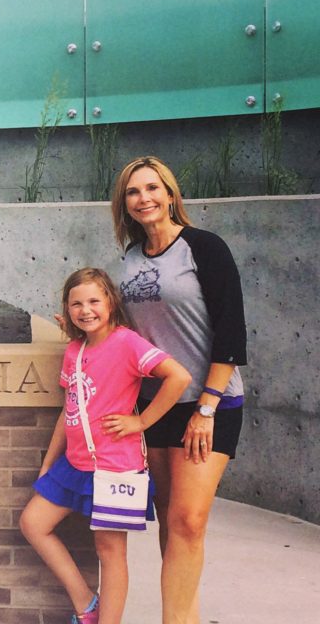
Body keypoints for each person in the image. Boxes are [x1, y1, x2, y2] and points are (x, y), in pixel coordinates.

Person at [111, 156, 248, 624]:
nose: (144, 198)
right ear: (124, 204)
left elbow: (231, 331)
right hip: (157, 402)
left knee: (189, 521)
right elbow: (127, 333)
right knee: (169, 518)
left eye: (153, 188)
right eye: (133, 191)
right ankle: (184, 615)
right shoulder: (129, 259)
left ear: (171, 195)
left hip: (211, 401)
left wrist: (206, 409)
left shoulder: (203, 248)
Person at [20, 268, 191, 624]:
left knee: (110, 551)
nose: (86, 310)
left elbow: (179, 377)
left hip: (115, 466)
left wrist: (141, 421)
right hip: (75, 465)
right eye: (76, 304)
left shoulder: (127, 342)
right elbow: (69, 410)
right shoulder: (74, 351)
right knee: (33, 523)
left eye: (94, 301)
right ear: (67, 311)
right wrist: (50, 461)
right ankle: (86, 604)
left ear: (110, 302)